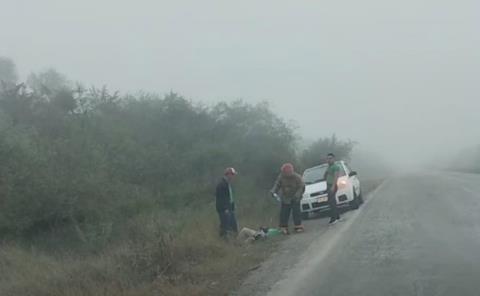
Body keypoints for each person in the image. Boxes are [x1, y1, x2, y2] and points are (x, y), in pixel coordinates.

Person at [270, 163, 305, 234]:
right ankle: (284, 228)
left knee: (296, 212)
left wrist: (297, 195)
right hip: (285, 197)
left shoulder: (297, 177)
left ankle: (298, 226)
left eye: (288, 173)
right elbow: (277, 184)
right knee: (284, 213)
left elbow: (301, 187)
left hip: (295, 197)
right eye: (285, 173)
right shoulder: (281, 177)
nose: (286, 174)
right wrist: (273, 191)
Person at [215, 167, 239, 238]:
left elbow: (229, 197)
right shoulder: (221, 185)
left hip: (230, 209)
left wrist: (233, 206)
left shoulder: (227, 184)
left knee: (233, 226)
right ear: (228, 174)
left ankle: (234, 240)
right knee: (225, 227)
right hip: (224, 210)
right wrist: (225, 209)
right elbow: (220, 199)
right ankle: (222, 242)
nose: (233, 177)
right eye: (232, 174)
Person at [324, 153, 341, 224]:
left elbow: (336, 177)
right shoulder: (329, 167)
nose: (329, 160)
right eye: (328, 158)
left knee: (332, 202)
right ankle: (337, 216)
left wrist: (333, 186)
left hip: (332, 185)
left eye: (330, 158)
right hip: (328, 185)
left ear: (334, 159)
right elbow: (326, 175)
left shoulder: (336, 167)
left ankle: (334, 218)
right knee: (331, 201)